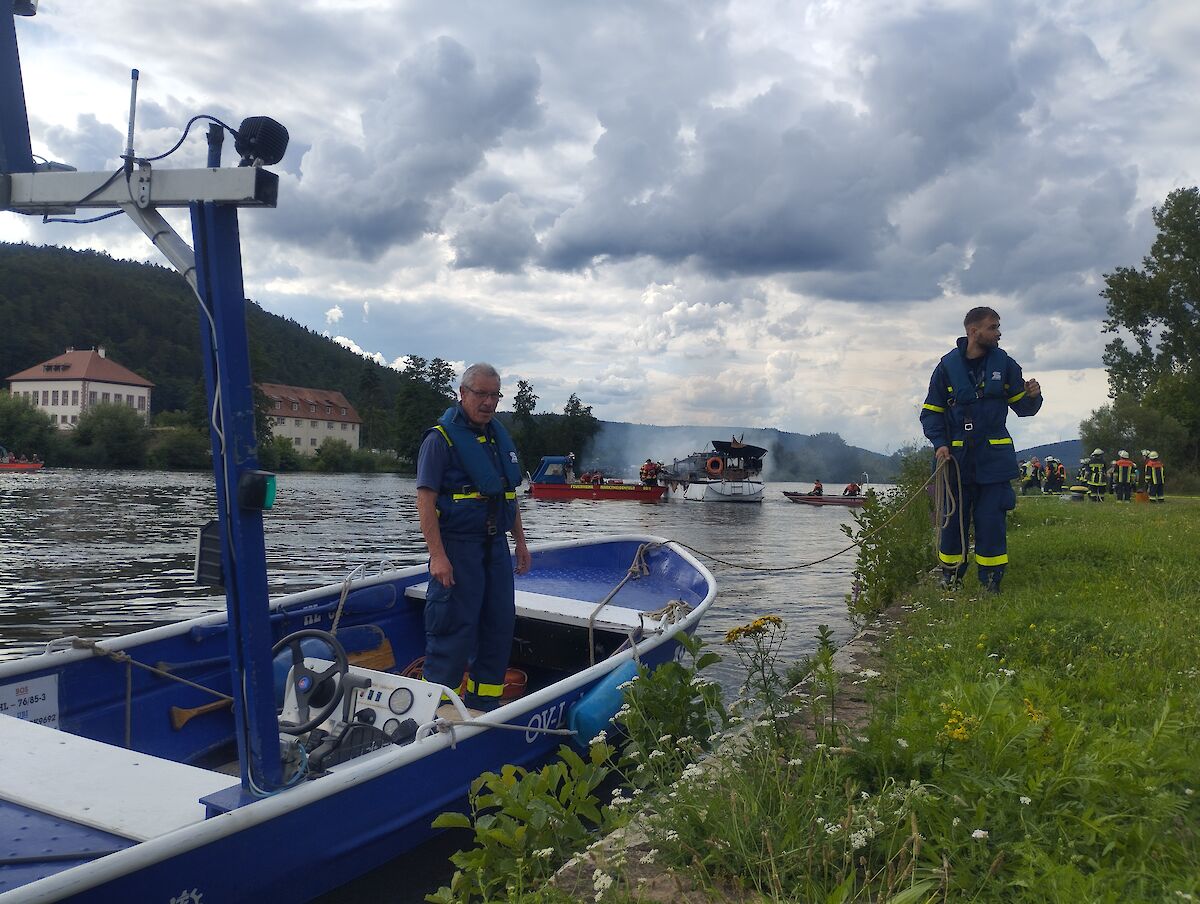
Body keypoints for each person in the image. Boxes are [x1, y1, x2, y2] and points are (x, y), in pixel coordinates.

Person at [416, 362, 531, 713]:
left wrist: (521, 543)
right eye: (481, 393)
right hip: (457, 546)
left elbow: (507, 495)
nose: (489, 402)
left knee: (498, 625)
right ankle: (432, 711)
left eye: (495, 395)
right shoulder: (440, 440)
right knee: (453, 628)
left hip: (495, 547)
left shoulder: (497, 439)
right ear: (462, 393)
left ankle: (483, 705)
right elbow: (425, 500)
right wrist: (437, 556)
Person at [920, 306, 1042, 592]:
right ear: (974, 331)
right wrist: (940, 445)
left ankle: (991, 582)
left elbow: (1023, 408)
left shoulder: (1006, 365)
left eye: (998, 327)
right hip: (956, 463)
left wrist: (1033, 397)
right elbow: (931, 414)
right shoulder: (946, 369)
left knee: (992, 523)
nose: (998, 333)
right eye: (993, 327)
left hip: (994, 462)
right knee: (953, 524)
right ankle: (950, 577)